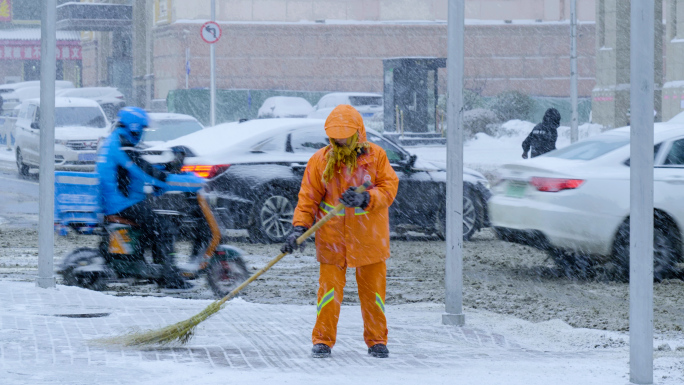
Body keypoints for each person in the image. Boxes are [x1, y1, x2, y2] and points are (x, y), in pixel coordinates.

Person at [281, 104, 399, 359]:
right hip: (332, 237)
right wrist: (298, 228)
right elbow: (307, 199)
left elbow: (389, 189)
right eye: (335, 137)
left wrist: (366, 199)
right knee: (328, 294)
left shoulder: (376, 157)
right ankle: (322, 340)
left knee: (373, 294)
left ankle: (377, 340)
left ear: (358, 133)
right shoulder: (320, 160)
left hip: (370, 238)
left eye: (345, 136)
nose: (340, 141)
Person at [97, 106, 191, 289]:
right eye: (142, 129)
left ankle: (148, 265)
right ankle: (169, 277)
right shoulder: (121, 143)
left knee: (154, 225)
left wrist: (165, 171)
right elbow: (140, 169)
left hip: (121, 200)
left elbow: (137, 169)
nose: (142, 133)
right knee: (164, 228)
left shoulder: (118, 140)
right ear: (135, 127)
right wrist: (166, 180)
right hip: (121, 203)